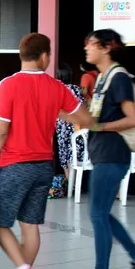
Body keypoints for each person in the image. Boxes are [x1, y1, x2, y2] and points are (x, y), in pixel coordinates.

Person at [0, 33, 94, 269]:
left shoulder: (8, 85)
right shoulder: (57, 87)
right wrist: (56, 111)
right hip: (44, 167)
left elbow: (0, 130)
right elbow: (86, 119)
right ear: (44, 56)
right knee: (30, 225)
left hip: (15, 165)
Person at [69, 29, 135, 269]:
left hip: (113, 154)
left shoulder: (117, 77)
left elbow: (132, 119)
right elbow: (95, 117)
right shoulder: (103, 78)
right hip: (105, 154)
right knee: (101, 213)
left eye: (92, 44)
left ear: (107, 47)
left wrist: (101, 126)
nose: (87, 48)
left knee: (98, 214)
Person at [54, 63, 86, 196]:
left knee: (64, 156)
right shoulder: (77, 89)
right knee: (75, 156)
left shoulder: (57, 89)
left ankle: (70, 186)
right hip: (76, 126)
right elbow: (83, 107)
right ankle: (75, 185)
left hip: (62, 126)